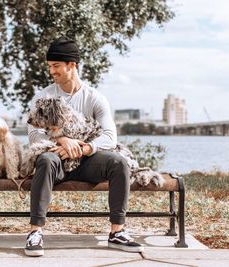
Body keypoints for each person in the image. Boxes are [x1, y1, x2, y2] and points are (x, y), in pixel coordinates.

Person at [24, 37, 143, 257]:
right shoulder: (44, 97)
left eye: (56, 66)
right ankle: (35, 232)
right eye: (50, 66)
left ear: (72, 65)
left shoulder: (95, 98)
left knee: (119, 163)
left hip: (86, 162)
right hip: (56, 161)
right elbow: (34, 136)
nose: (52, 71)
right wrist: (61, 141)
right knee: (45, 160)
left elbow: (110, 137)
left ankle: (117, 231)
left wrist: (85, 148)